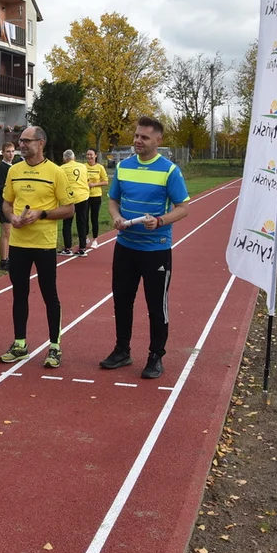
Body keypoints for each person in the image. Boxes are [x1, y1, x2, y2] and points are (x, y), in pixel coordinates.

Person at [101, 117, 191, 380]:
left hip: (156, 250)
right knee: (122, 300)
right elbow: (113, 200)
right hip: (125, 247)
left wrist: (160, 221)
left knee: (155, 305)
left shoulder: (169, 171)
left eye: (144, 137)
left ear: (158, 141)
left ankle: (156, 355)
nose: (138, 141)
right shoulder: (123, 167)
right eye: (136, 136)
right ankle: (122, 350)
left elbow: (184, 208)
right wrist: (116, 217)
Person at [0, 126, 75, 368]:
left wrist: (42, 213)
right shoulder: (15, 171)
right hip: (18, 243)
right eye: (20, 141)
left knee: (49, 295)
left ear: (40, 143)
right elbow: (6, 204)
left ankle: (55, 346)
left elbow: (69, 209)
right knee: (19, 294)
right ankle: (20, 343)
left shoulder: (55, 172)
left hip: (43, 244)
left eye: (26, 141)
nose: (21, 145)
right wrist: (12, 219)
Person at [59, 150, 91, 257]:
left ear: (65, 159)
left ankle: (68, 248)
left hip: (70, 198)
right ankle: (82, 248)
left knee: (67, 223)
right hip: (83, 196)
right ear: (74, 158)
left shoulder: (62, 168)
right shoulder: (83, 167)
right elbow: (86, 180)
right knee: (81, 222)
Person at [0, 142, 15, 271]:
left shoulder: (14, 166)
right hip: (3, 204)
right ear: (2, 153)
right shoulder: (1, 167)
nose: (10, 154)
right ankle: (3, 260)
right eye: (8, 151)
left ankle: (9, 257)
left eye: (12, 151)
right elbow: (3, 188)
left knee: (11, 232)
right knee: (6, 232)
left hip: (12, 204)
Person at [85, 149, 109, 247]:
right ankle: (85, 237)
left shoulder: (100, 167)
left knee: (94, 218)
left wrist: (94, 184)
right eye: (87, 155)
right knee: (84, 218)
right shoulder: (83, 167)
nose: (89, 157)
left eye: (91, 155)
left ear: (95, 156)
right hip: (84, 196)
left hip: (96, 196)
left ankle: (95, 239)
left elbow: (106, 181)